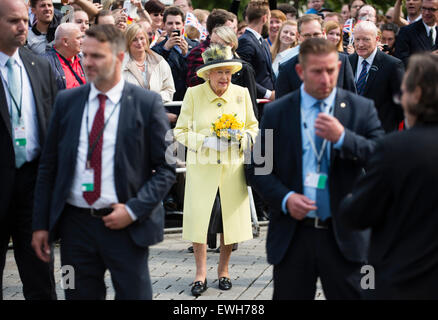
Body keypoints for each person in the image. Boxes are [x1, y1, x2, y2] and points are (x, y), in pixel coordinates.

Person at [31, 24, 176, 300]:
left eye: (97, 56)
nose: (88, 62)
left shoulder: (147, 104)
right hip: (75, 230)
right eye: (85, 55)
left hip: (126, 227)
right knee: (74, 293)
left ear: (119, 58)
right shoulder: (66, 102)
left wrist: (133, 210)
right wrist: (40, 225)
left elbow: (167, 169)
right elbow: (48, 167)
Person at [249, 38, 384, 300]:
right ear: (301, 72)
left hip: (344, 235)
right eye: (317, 71)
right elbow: (257, 167)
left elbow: (381, 159)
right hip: (293, 235)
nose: (326, 79)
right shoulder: (276, 113)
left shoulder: (360, 109)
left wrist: (345, 138)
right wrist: (286, 199)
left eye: (331, 70)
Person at [339, 53, 438, 299]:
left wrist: (346, 198)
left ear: (416, 95)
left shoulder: (394, 148)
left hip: (402, 277)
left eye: (402, 92)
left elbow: (359, 214)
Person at [174, 44, 258, 297]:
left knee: (229, 224)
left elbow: (254, 128)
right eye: (218, 72)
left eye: (227, 73)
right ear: (208, 73)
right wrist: (204, 141)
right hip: (203, 170)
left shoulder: (241, 93)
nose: (224, 77)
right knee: (200, 223)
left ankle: (224, 271)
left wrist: (241, 138)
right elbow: (180, 131)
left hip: (232, 170)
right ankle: (200, 274)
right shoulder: (193, 94)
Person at [0, 0, 58, 300]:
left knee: (40, 279)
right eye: (13, 21)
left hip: (33, 190)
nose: (23, 26)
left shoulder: (39, 66)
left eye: (25, 19)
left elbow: (51, 126)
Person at [276, 14, 356, 99]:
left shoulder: (342, 61)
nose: (312, 39)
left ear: (323, 33)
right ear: (298, 36)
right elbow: (282, 108)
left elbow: (352, 99)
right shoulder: (286, 69)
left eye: (316, 34)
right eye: (307, 35)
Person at [349, 21, 405, 132]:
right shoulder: (349, 61)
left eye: (366, 39)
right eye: (357, 39)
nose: (360, 44)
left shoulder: (393, 65)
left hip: (381, 132)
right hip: (353, 131)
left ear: (377, 39)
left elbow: (401, 104)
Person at [123, 23, 175, 123]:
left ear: (146, 39)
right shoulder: (119, 64)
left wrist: (152, 100)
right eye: (134, 39)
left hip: (156, 114)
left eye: (142, 38)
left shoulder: (159, 61)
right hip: (130, 117)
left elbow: (169, 89)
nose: (139, 42)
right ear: (128, 42)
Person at [152, 6, 197, 102]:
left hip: (191, 99)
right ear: (163, 25)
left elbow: (197, 72)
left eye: (177, 23)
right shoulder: (156, 50)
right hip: (169, 101)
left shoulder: (195, 46)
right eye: (170, 23)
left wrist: (186, 54)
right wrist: (165, 49)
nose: (174, 27)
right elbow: (155, 72)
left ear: (183, 24)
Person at [236, 0, 275, 102]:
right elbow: (243, 76)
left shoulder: (262, 41)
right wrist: (268, 94)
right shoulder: (245, 41)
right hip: (256, 102)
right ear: (264, 18)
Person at [186, 8, 234, 88]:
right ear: (217, 28)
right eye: (228, 29)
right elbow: (192, 82)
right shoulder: (199, 52)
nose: (232, 32)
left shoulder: (234, 52)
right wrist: (210, 70)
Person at [394, 0, 438, 67]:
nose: (426, 13)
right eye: (424, 8)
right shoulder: (406, 31)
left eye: (431, 9)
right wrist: (427, 59)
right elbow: (400, 61)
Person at [42, 23, 85, 90]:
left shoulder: (84, 59)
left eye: (82, 37)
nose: (82, 41)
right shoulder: (45, 63)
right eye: (78, 38)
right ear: (65, 42)